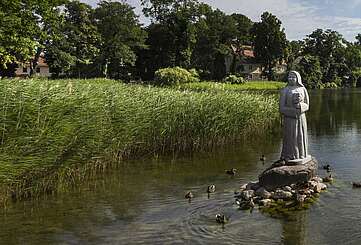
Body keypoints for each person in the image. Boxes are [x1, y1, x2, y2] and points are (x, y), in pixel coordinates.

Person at [279, 71, 311, 164]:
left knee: (300, 136)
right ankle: (290, 155)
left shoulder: (302, 89)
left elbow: (307, 105)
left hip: (301, 118)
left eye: (293, 77)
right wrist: (293, 112)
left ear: (298, 78)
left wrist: (300, 106)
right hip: (290, 119)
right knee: (290, 137)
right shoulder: (285, 90)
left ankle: (302, 154)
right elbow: (281, 108)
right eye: (289, 77)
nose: (291, 79)